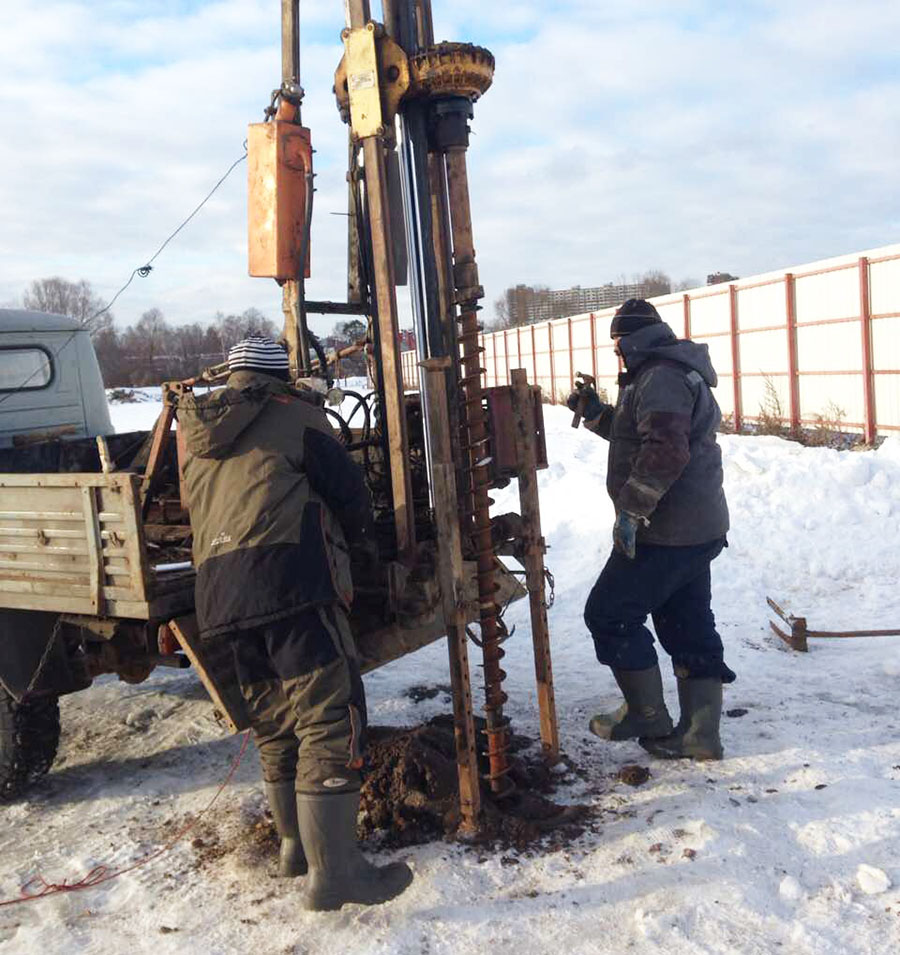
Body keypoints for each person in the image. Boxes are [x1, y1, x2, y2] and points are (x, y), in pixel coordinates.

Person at [177, 336, 412, 910]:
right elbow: (351, 495)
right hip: (292, 583)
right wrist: (367, 552)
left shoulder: (197, 430)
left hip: (220, 596)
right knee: (329, 721)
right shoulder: (300, 418)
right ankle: (337, 877)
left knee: (276, 722)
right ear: (280, 377)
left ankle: (294, 849)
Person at [567, 300, 733, 761]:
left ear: (630, 339)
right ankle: (700, 735)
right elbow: (644, 434)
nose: (616, 353)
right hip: (696, 528)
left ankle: (647, 714)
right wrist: (600, 414)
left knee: (609, 614)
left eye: (617, 343)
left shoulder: (659, 376)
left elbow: (664, 449)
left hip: (667, 529)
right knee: (688, 624)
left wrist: (632, 511)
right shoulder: (666, 372)